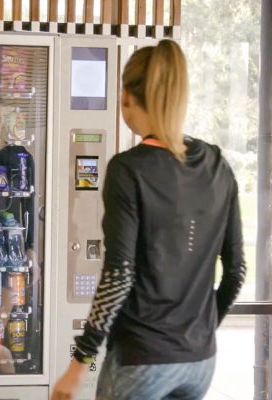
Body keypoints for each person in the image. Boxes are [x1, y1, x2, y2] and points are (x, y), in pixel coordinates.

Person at [51, 39, 246, 400]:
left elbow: (119, 276)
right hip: (200, 361)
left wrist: (80, 363)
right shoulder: (218, 165)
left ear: (127, 97)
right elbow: (236, 271)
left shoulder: (128, 170)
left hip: (141, 358)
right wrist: (199, 333)